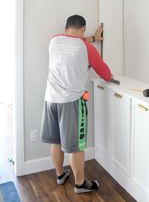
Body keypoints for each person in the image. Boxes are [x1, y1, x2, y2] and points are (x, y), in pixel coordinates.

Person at [40, 15, 112, 194]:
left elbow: (74, 41)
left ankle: (60, 174)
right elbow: (106, 74)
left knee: (56, 141)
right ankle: (80, 184)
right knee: (76, 147)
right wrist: (92, 43)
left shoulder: (54, 41)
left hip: (50, 99)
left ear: (66, 28)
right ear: (83, 28)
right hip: (71, 102)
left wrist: (93, 38)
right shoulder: (86, 48)